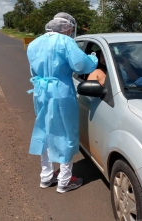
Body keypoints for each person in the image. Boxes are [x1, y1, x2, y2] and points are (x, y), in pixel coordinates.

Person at [26, 12, 98, 194]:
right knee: (65, 133)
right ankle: (65, 181)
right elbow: (82, 66)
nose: (71, 33)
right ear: (67, 28)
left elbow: (33, 70)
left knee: (45, 131)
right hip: (61, 92)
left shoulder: (34, 43)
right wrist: (94, 59)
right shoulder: (65, 42)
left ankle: (46, 177)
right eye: (71, 30)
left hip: (40, 91)